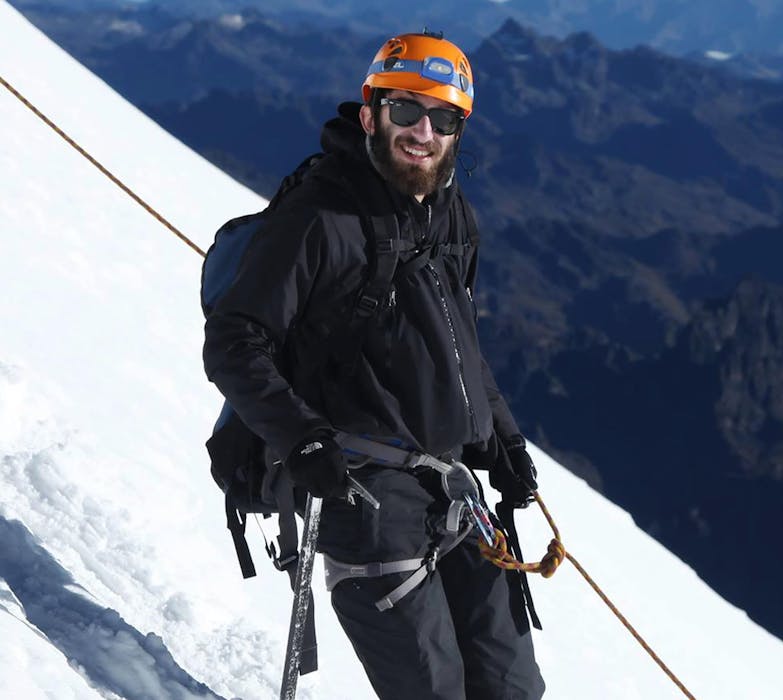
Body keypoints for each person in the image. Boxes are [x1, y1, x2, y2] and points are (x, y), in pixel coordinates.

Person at [202, 30, 545, 700]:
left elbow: (458, 344)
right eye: (406, 111)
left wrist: (501, 439)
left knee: (511, 688)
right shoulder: (320, 218)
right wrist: (301, 438)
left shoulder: (448, 214)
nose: (423, 131)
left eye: (443, 118)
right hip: (364, 493)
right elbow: (235, 340)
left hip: (449, 487)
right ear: (370, 113)